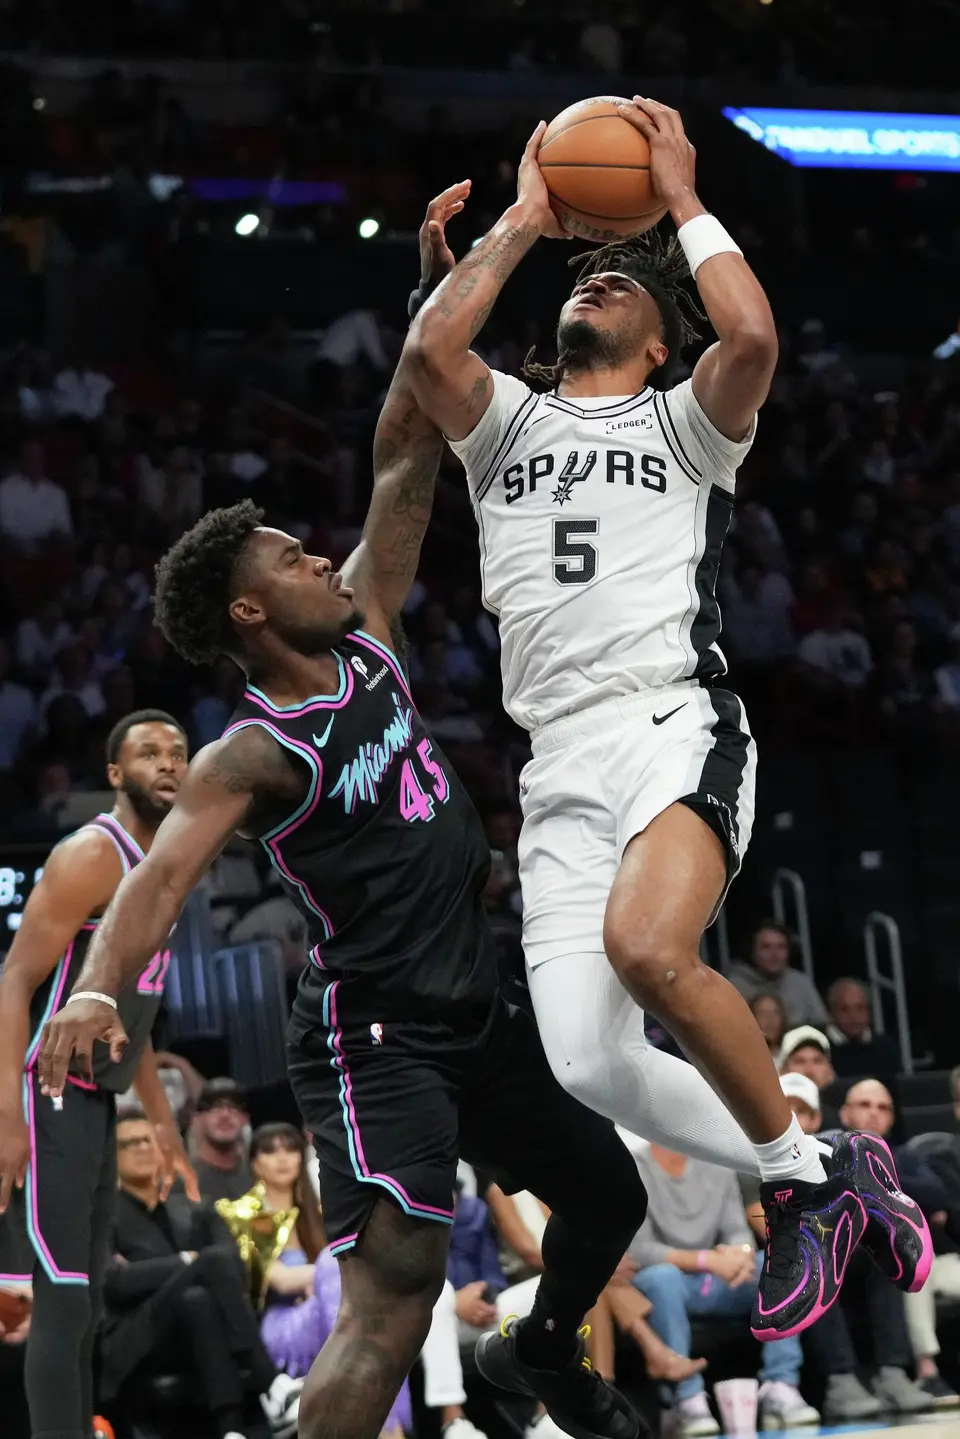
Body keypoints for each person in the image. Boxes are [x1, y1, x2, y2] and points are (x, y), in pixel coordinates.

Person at [35, 185, 648, 1439]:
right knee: (395, 1300)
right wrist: (98, 986)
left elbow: (405, 446)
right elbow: (153, 883)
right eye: (285, 557)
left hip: (474, 1001)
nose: (316, 555)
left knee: (608, 1194)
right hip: (377, 1035)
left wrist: (434, 298)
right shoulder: (251, 753)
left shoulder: (366, 632)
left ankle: (533, 1355)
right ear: (249, 614)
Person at [402, 98, 927, 1339]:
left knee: (651, 949)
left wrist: (682, 200)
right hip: (554, 760)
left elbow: (751, 331)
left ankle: (804, 1182)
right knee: (587, 1061)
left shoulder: (688, 424)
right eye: (581, 283)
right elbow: (430, 356)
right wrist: (528, 214)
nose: (594, 287)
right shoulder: (505, 424)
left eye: (619, 288)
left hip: (669, 723)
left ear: (656, 345)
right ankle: (817, 1170)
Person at [0, 708, 199, 1439]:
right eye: (149, 752)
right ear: (116, 774)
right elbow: (12, 981)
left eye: (179, 751)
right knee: (61, 1299)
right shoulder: (91, 855)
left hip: (95, 1100)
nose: (169, 762)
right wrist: (7, 1119)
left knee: (87, 1301)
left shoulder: (172, 867)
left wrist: (164, 1123)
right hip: (45, 1088)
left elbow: (132, 1019)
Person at [102, 1111, 302, 1438]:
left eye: (146, 1140)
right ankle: (271, 1382)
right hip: (140, 1335)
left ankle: (230, 1429)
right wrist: (188, 1261)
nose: (140, 1148)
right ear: (111, 1155)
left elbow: (235, 1267)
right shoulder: (104, 1216)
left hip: (200, 1324)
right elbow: (116, 1283)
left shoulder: (195, 1207)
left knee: (197, 1298)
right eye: (128, 1143)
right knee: (209, 1264)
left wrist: (156, 1271)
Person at [626, 1142, 819, 1436]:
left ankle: (781, 1386)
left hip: (720, 1276)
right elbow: (639, 1250)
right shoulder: (633, 1168)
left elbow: (736, 1232)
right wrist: (706, 1260)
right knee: (661, 1278)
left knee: (783, 1262)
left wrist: (739, 1255)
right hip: (671, 1278)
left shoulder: (716, 1162)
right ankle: (686, 1399)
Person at [727, 921, 827, 1028]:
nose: (774, 954)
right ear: (752, 951)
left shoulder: (801, 983)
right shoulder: (734, 986)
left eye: (781, 947)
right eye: (766, 947)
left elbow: (821, 1025)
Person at [825, 977, 901, 1088]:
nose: (854, 1017)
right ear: (830, 1013)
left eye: (860, 1008)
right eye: (844, 1010)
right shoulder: (818, 1050)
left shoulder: (885, 1046)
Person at [190, 1078, 254, 1202]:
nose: (225, 1115)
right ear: (197, 1119)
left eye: (234, 1107)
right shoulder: (182, 1182)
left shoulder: (259, 1178)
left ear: (245, 1119)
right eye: (215, 1107)